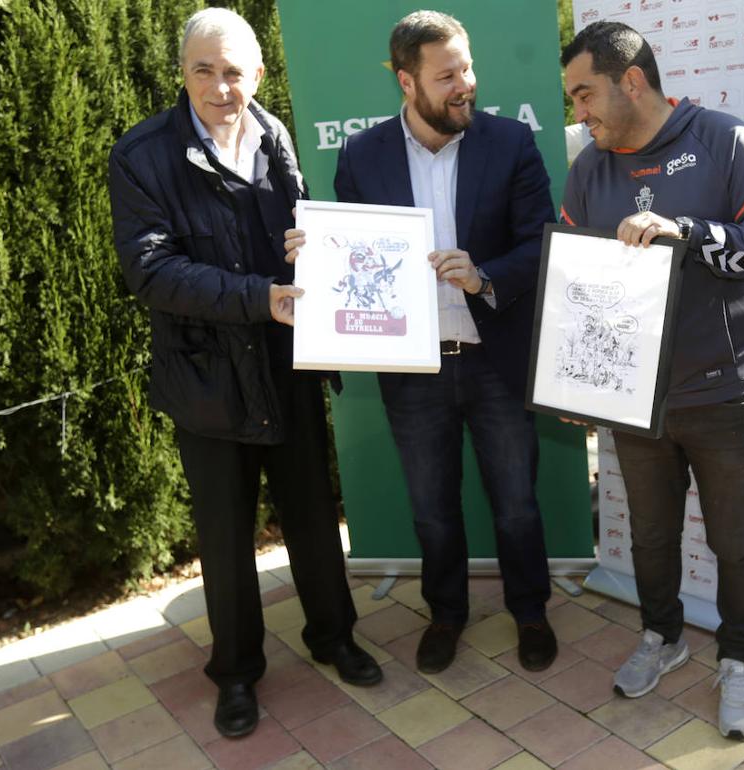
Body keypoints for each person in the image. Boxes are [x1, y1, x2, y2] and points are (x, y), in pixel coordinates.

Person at [108, 7, 381, 740]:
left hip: (287, 365)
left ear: (257, 73)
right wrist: (261, 298)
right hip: (207, 380)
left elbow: (296, 235)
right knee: (225, 539)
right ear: (183, 73)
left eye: (234, 72)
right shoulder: (142, 154)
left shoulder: (273, 132)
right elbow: (152, 270)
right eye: (205, 70)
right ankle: (235, 674)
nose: (221, 87)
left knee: (314, 521)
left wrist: (309, 249)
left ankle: (334, 637)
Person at [559, 21, 744, 738]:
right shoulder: (588, 170)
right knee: (653, 539)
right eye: (572, 99)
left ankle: (738, 662)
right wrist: (575, 381)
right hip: (635, 402)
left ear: (632, 80)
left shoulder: (726, 142)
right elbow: (573, 277)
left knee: (735, 542)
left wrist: (690, 233)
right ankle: (663, 638)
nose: (579, 112)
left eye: (585, 93)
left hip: (725, 393)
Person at [300, 9, 558, 675]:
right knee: (433, 513)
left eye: (468, 68)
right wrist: (316, 257)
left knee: (518, 506)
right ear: (406, 82)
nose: (465, 84)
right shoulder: (363, 157)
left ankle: (530, 611)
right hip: (413, 371)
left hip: (495, 360)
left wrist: (485, 275)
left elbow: (540, 244)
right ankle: (447, 614)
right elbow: (352, 262)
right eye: (447, 75)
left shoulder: (511, 143)